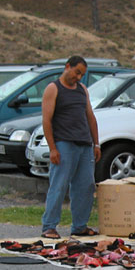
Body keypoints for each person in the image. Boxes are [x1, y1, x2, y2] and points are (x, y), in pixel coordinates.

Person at [41, 56, 101, 239]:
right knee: (59, 185)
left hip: (84, 145)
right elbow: (46, 120)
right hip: (64, 143)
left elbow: (90, 117)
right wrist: (53, 148)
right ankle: (49, 226)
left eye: (82, 74)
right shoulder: (53, 89)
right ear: (68, 67)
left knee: (85, 186)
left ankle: (80, 226)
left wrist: (96, 143)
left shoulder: (82, 90)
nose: (79, 77)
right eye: (77, 72)